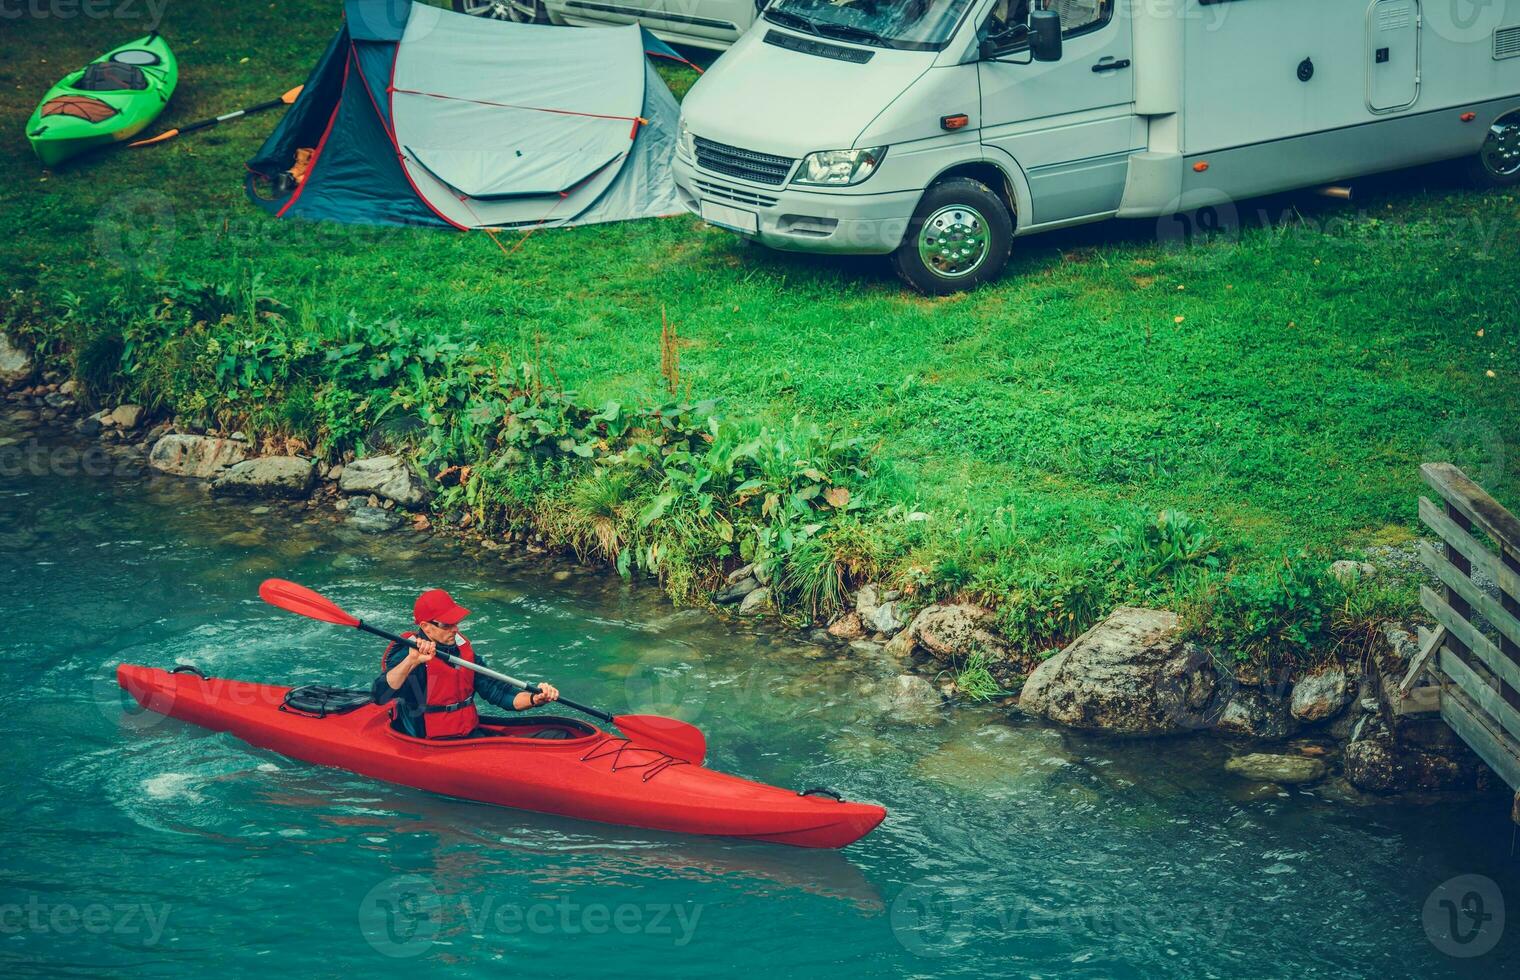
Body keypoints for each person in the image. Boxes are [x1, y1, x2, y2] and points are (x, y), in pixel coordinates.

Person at [371, 588, 559, 738]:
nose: (455, 629)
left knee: (557, 735)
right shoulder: (408, 653)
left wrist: (536, 699)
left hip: (467, 733)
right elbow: (381, 696)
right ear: (425, 626)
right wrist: (411, 661)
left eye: (456, 622)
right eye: (447, 624)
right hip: (430, 741)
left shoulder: (461, 651)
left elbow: (500, 694)